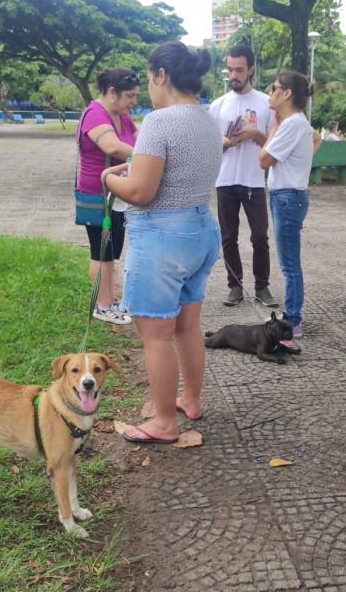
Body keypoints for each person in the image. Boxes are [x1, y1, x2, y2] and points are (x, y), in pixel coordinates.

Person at [102, 42, 222, 444]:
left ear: (161, 75)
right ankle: (190, 399)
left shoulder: (159, 122)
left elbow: (140, 191)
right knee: (188, 326)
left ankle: (165, 422)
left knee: (155, 335)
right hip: (201, 229)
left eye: (149, 78)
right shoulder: (207, 118)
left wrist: (107, 179)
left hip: (162, 238)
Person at [209, 43, 277, 308]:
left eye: (239, 70)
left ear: (251, 70)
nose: (233, 75)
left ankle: (262, 286)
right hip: (225, 179)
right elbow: (209, 145)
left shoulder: (265, 103)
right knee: (228, 237)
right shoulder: (218, 105)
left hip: (254, 180)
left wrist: (254, 135)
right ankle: (234, 286)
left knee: (260, 236)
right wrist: (225, 142)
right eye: (229, 70)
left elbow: (274, 143)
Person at [260, 71, 320, 341]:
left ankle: (293, 320)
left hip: (288, 197)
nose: (270, 93)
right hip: (286, 196)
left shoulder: (292, 124)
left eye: (274, 88)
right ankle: (291, 316)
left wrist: (273, 128)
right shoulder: (297, 123)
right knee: (289, 262)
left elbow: (264, 159)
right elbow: (315, 139)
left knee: (289, 265)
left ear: (286, 94)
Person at [76, 68, 140, 324]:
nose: (134, 102)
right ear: (112, 92)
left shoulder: (122, 115)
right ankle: (101, 306)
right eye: (130, 96)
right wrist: (148, 157)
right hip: (97, 195)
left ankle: (109, 301)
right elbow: (112, 146)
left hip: (118, 194)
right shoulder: (94, 114)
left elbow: (139, 139)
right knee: (100, 251)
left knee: (112, 250)